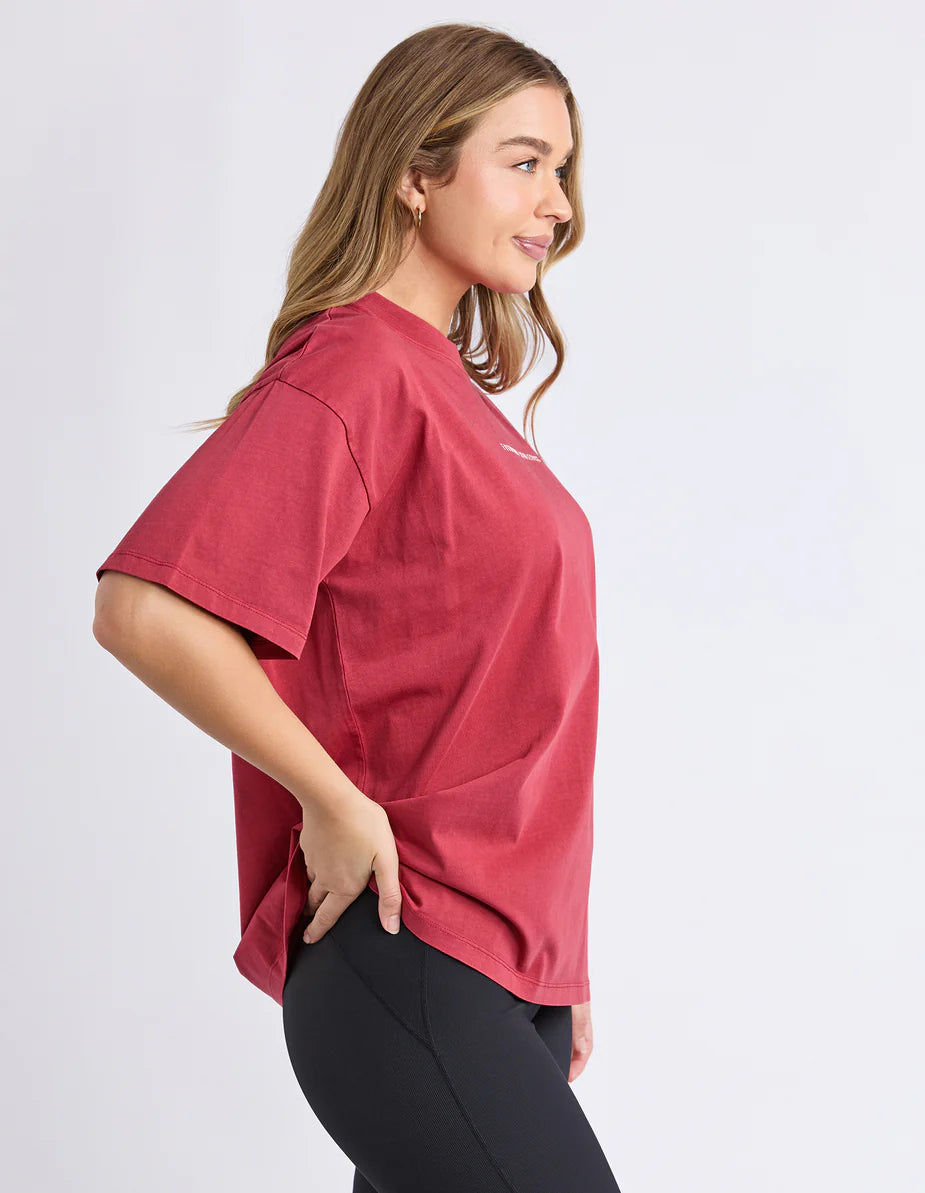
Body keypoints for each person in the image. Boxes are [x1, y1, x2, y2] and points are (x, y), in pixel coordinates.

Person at [92, 21, 621, 1193]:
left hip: (504, 966)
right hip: (409, 948)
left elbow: (488, 700)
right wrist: (329, 799)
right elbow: (145, 608)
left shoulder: (449, 390)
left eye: (563, 169)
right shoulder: (356, 367)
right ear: (415, 171)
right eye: (524, 162)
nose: (558, 202)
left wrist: (555, 957)